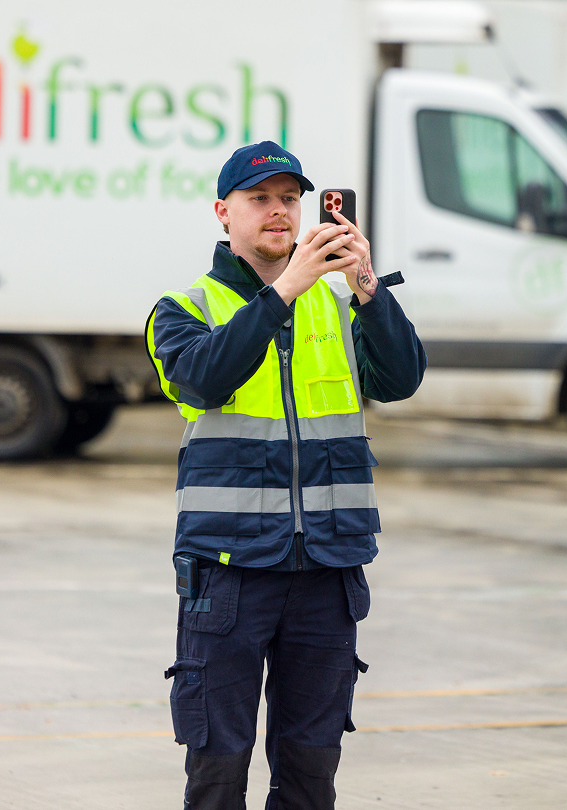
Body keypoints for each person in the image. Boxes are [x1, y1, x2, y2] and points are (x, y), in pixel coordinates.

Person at [145, 140, 426, 810]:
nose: (280, 212)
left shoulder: (335, 305)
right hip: (229, 574)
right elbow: (206, 379)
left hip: (326, 574)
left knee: (309, 774)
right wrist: (283, 290)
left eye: (291, 200)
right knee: (217, 771)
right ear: (223, 212)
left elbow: (403, 378)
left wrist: (365, 285)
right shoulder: (183, 310)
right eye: (260, 199)